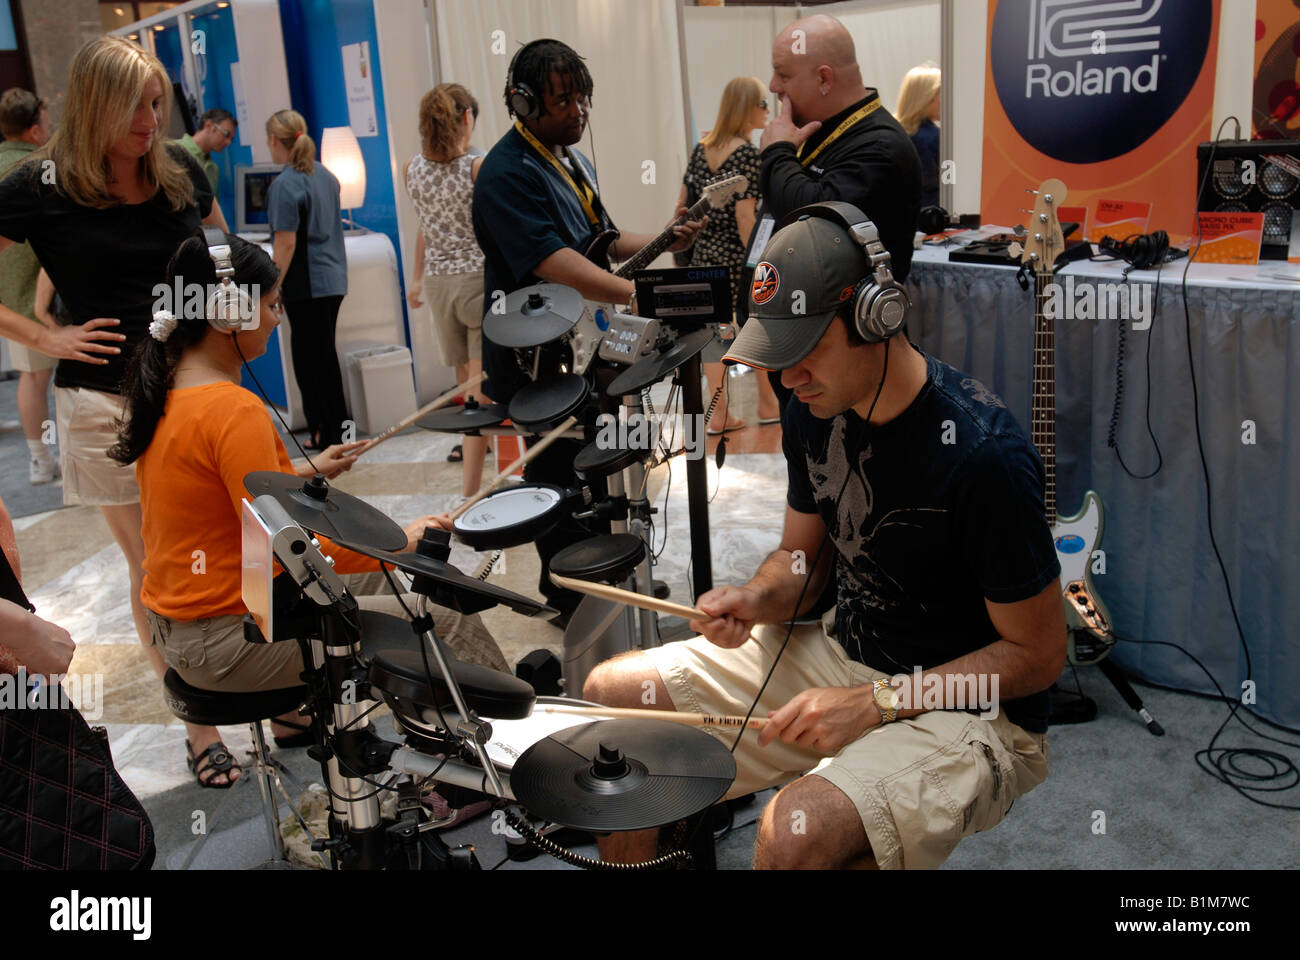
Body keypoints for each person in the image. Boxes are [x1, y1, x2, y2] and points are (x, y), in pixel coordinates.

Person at [584, 203, 1065, 869]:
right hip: (844, 655)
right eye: (776, 358)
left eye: (804, 351)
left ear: (877, 316)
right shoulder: (817, 406)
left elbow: (1038, 658)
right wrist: (757, 597)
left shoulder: (984, 456)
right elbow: (801, 563)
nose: (787, 379)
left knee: (795, 832)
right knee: (616, 699)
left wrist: (876, 703)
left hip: (971, 708)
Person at [109, 229, 508, 787]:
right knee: (435, 619)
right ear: (229, 312)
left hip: (187, 634)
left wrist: (306, 470)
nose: (278, 319)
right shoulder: (232, 409)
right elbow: (293, 556)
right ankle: (507, 775)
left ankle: (433, 751)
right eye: (271, 305)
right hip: (230, 640)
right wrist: (403, 548)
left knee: (394, 590)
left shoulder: (170, 392)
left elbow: (220, 496)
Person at [0, 36, 231, 780]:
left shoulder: (177, 174)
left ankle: (260, 684)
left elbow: (217, 260)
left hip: (194, 395)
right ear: (96, 102)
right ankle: (198, 724)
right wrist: (45, 335)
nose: (150, 117)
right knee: (152, 567)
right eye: (135, 102)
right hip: (102, 404)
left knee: (237, 540)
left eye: (158, 101)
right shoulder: (39, 186)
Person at [471, 38, 704, 623]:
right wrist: (637, 293)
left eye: (583, 99)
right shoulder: (503, 173)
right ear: (522, 104)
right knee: (558, 474)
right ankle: (570, 598)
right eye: (563, 100)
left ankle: (610, 581)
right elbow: (552, 262)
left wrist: (661, 237)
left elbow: (600, 239)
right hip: (538, 359)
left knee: (601, 465)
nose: (579, 112)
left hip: (583, 347)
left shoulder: (569, 159)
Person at [747, 14, 922, 414]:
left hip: (842, 360)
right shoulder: (820, 130)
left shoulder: (881, 147)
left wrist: (776, 153)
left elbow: (810, 219)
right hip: (797, 348)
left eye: (782, 75)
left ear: (825, 78)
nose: (773, 87)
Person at [678, 76, 780, 435]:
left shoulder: (700, 148)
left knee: (714, 333)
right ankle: (768, 403)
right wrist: (762, 260)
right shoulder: (748, 155)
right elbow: (744, 218)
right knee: (757, 325)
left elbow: (682, 206)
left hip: (704, 253)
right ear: (746, 108)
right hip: (737, 255)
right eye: (762, 103)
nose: (767, 110)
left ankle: (718, 413)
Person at [404, 83, 490, 497]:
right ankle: (473, 487)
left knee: (464, 383)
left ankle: (472, 473)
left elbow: (426, 225)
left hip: (439, 286)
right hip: (477, 280)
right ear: (464, 119)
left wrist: (417, 277)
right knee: (479, 390)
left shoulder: (411, 170)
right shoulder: (476, 167)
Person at [265, 109, 349, 451]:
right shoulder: (326, 176)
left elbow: (285, 242)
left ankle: (325, 433)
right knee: (325, 357)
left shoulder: (285, 185)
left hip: (307, 285)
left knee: (310, 361)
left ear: (274, 141)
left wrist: (271, 287)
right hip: (333, 280)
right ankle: (340, 431)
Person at [0, 89, 59, 484]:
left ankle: (41, 458)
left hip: (10, 299)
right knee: (50, 381)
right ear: (35, 128)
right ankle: (48, 458)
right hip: (46, 294)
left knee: (34, 378)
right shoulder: (40, 166)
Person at [895, 64, 941, 210]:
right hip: (930, 218)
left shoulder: (891, 133)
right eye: (942, 95)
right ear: (929, 98)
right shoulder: (934, 137)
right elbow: (950, 181)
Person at [176, 107, 237, 193]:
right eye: (226, 134)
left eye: (231, 139)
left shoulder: (213, 170)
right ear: (208, 126)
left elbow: (212, 205)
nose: (228, 142)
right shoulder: (175, 149)